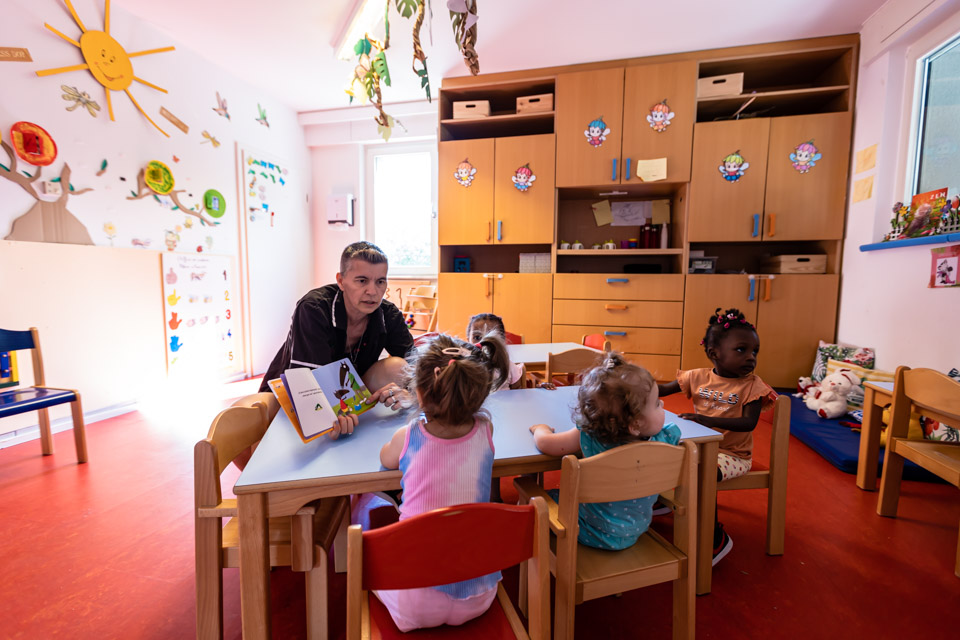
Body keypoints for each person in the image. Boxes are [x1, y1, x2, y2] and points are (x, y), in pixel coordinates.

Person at [374, 332, 510, 631]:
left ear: (419, 392)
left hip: (414, 605)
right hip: (480, 597)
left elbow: (386, 460)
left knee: (368, 557)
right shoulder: (486, 431)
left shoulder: (409, 435)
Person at [658, 307, 777, 565]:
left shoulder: (753, 386)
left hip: (733, 455)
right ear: (714, 354)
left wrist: (705, 420)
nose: (750, 357)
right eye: (741, 350)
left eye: (754, 351)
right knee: (656, 451)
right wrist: (631, 382)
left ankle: (715, 538)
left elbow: (748, 423)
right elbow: (660, 390)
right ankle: (661, 500)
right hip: (701, 449)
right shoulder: (697, 377)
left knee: (701, 471)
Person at [259, 241, 414, 438]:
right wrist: (326, 420)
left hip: (348, 392)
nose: (373, 291)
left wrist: (412, 395)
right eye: (362, 281)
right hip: (296, 393)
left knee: (398, 367)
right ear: (341, 281)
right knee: (277, 424)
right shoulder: (313, 308)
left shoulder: (387, 313)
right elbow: (306, 382)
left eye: (380, 281)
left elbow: (416, 366)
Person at [529, 352, 681, 550]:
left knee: (541, 498)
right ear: (634, 424)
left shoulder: (589, 437)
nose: (662, 405)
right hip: (637, 528)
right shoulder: (668, 439)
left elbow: (547, 444)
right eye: (657, 404)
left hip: (587, 530)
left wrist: (540, 429)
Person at [466, 313, 525, 389]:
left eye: (492, 337)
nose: (484, 342)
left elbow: (518, 393)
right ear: (467, 340)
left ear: (502, 340)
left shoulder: (508, 366)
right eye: (477, 337)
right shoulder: (464, 368)